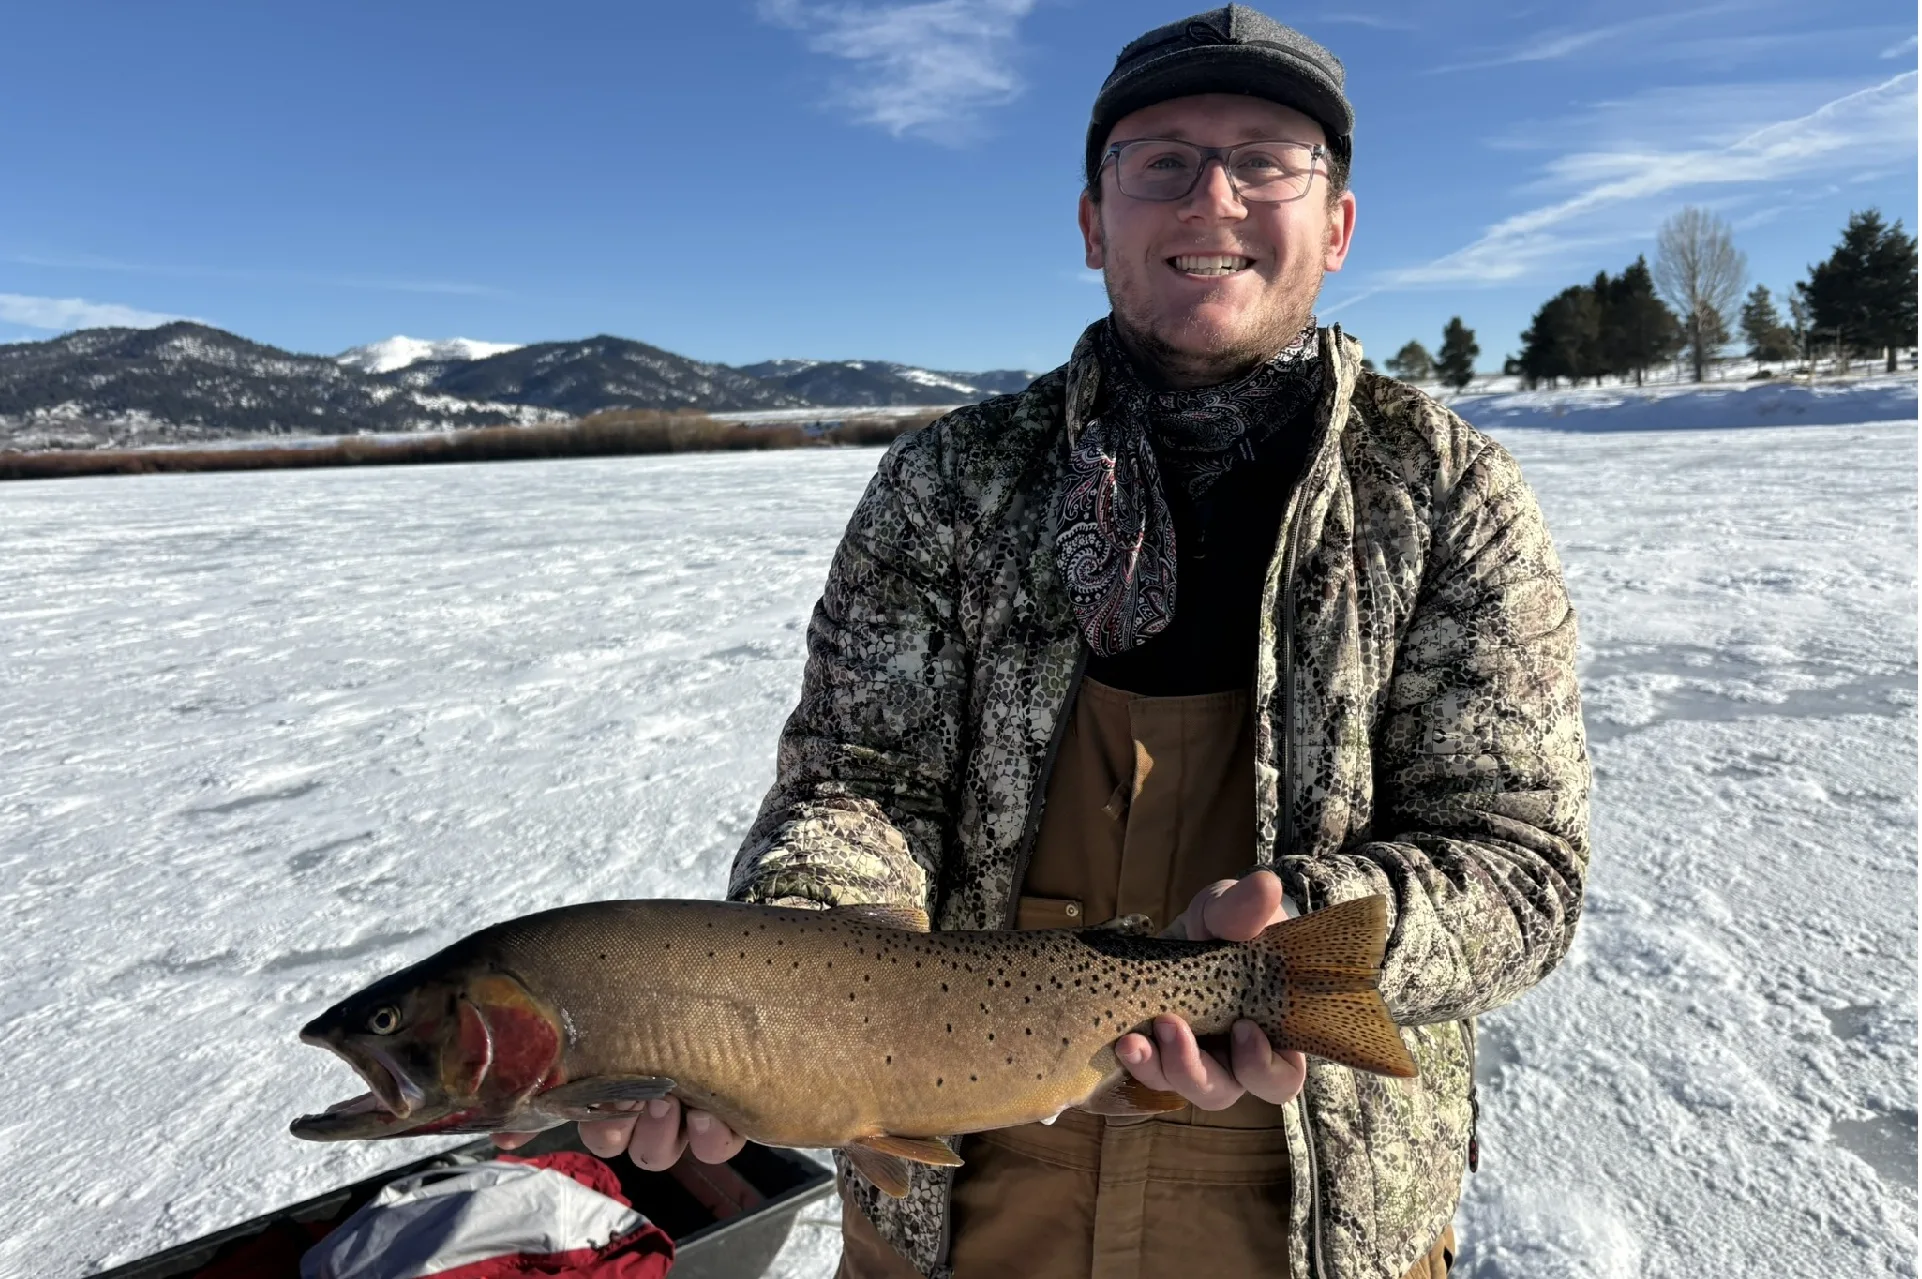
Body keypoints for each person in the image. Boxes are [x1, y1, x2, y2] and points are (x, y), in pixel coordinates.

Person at [504, 6, 1590, 1276]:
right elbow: (859, 780)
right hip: (954, 1189)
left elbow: (1516, 864)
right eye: (1160, 161)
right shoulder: (951, 483)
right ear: (1091, 221)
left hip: (1306, 1209)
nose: (1212, 198)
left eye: (1265, 158)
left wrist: (1313, 924)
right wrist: (784, 1001)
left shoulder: (1442, 492)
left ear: (1336, 224)